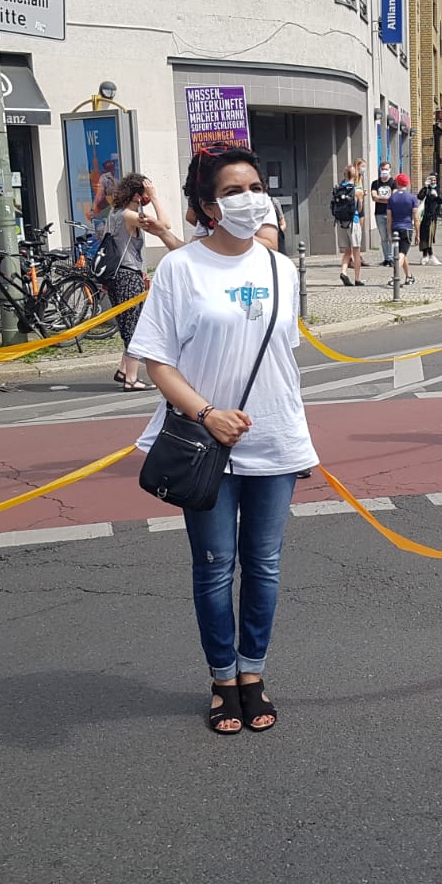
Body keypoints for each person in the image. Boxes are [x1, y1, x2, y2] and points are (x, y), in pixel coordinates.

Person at [128, 145, 317, 735]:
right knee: (214, 566)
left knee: (264, 564)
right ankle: (221, 679)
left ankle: (253, 672)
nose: (249, 198)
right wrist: (207, 413)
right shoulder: (181, 269)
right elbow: (156, 360)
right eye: (233, 191)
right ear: (208, 206)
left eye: (255, 186)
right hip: (204, 441)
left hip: (275, 436)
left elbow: (283, 354)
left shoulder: (280, 268)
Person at [106, 172, 165, 392]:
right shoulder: (130, 216)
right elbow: (164, 225)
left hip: (118, 275)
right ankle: (131, 379)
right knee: (135, 329)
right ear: (138, 194)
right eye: (145, 193)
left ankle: (123, 369)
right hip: (127, 276)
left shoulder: (114, 213)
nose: (147, 197)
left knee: (129, 323)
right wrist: (156, 198)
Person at [332, 164, 365, 286]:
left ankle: (344, 272)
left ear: (344, 175)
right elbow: (360, 208)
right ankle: (357, 278)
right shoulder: (358, 191)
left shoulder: (338, 189)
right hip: (353, 221)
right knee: (356, 251)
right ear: (355, 175)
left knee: (347, 251)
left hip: (341, 222)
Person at [388, 174, 418, 285]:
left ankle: (408, 276)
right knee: (401, 253)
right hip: (407, 228)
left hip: (395, 228)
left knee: (403, 253)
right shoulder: (412, 198)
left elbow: (389, 218)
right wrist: (417, 234)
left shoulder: (392, 198)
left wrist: (389, 231)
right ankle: (395, 276)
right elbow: (416, 217)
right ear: (408, 183)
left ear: (397, 183)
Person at [370, 165, 395, 266]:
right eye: (383, 169)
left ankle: (392, 258)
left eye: (386, 169)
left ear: (390, 170)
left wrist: (380, 198)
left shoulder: (393, 183)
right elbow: (373, 197)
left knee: (391, 236)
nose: (384, 171)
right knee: (384, 237)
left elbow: (393, 198)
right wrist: (386, 198)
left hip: (391, 213)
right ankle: (386, 259)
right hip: (379, 213)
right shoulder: (375, 183)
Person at [417, 175, 442, 264]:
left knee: (430, 236)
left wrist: (436, 196)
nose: (433, 182)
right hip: (423, 216)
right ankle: (425, 255)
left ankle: (430, 255)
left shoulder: (437, 189)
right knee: (423, 235)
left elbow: (441, 200)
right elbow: (420, 197)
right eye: (431, 180)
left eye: (434, 180)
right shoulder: (425, 189)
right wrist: (425, 188)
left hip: (432, 217)